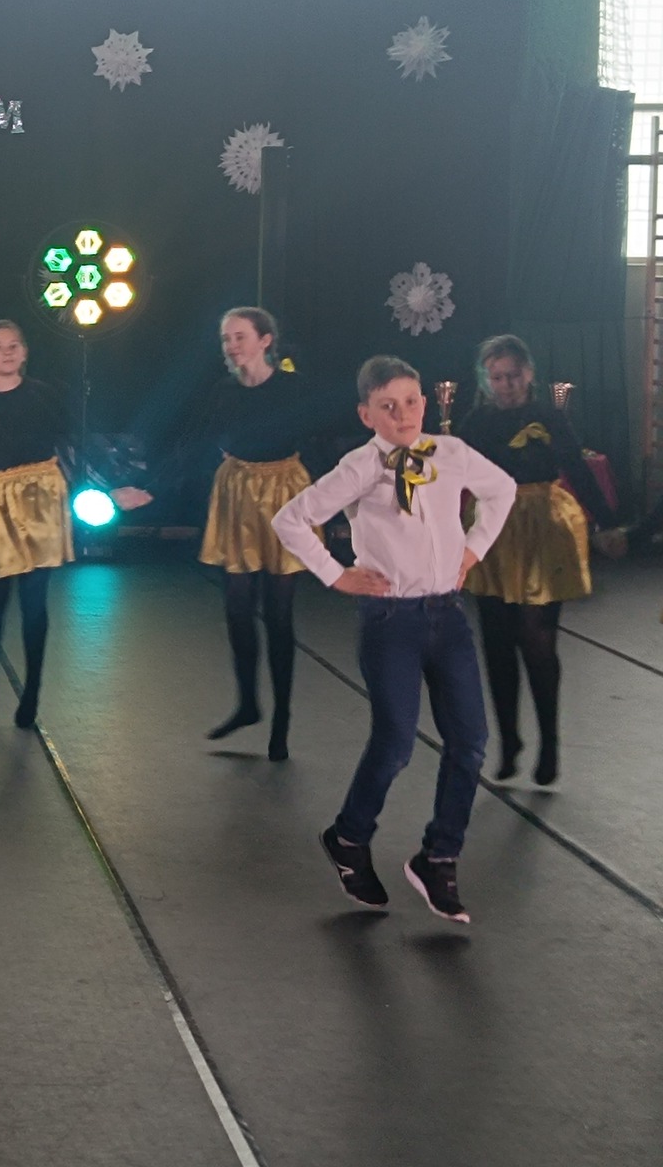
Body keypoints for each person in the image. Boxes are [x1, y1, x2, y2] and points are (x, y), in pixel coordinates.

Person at [273, 355, 515, 924]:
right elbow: (290, 519)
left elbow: (502, 490)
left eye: (410, 402)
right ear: (367, 415)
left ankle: (439, 856)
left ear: (425, 404)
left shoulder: (450, 453)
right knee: (397, 742)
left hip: (447, 615)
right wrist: (336, 574)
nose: (402, 414)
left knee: (470, 741)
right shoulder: (361, 466)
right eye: (387, 406)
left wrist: (472, 551)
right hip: (391, 621)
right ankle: (349, 837)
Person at [0, 320, 147, 733]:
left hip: (39, 499)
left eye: (14, 345)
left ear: (24, 352)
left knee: (34, 602)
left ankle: (32, 691)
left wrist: (113, 481)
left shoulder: (44, 394)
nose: (7, 352)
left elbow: (81, 437)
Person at [457, 335, 623, 787]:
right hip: (494, 529)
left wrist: (607, 523)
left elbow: (577, 468)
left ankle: (549, 741)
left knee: (538, 639)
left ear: (528, 374)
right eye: (497, 378)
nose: (506, 385)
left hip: (542, 527)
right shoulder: (475, 421)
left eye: (513, 376)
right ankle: (510, 739)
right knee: (496, 641)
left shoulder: (550, 416)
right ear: (486, 380)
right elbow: (452, 474)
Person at [196, 308, 338, 761]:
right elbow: (202, 441)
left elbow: (320, 440)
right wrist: (150, 487)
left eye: (240, 337)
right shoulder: (223, 391)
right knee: (237, 607)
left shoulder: (294, 388)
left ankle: (282, 718)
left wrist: (333, 499)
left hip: (283, 491)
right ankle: (248, 703)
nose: (231, 346)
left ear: (265, 340)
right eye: (226, 339)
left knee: (278, 613)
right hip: (239, 491)